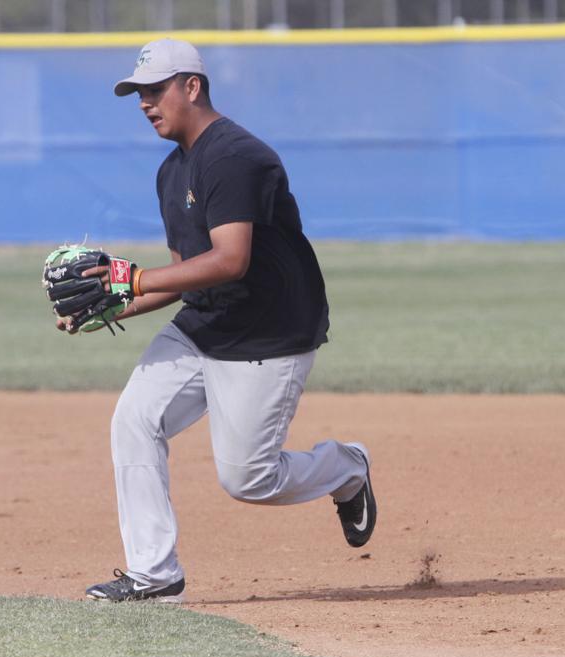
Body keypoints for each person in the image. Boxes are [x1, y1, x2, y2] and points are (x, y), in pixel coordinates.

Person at [69, 38, 375, 603]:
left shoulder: (236, 157)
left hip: (270, 331)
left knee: (249, 480)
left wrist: (134, 278)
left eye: (156, 90)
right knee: (134, 420)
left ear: (192, 86)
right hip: (206, 324)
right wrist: (117, 305)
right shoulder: (171, 173)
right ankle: (154, 576)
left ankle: (346, 468)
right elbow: (190, 271)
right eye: (139, 93)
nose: (145, 103)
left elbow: (231, 260)